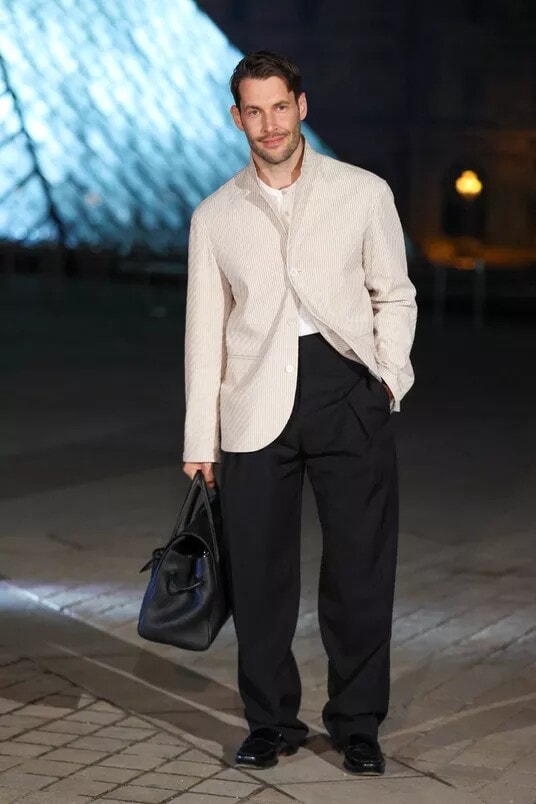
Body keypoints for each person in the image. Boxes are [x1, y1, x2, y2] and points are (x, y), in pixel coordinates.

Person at [182, 50, 417, 775]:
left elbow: (394, 293)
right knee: (259, 577)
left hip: (347, 390)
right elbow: (203, 334)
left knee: (360, 569)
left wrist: (388, 378)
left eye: (280, 106)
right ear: (237, 118)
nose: (270, 123)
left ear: (301, 106)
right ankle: (270, 722)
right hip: (253, 401)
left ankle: (357, 724)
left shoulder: (362, 192)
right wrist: (199, 440)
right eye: (254, 110)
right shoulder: (215, 215)